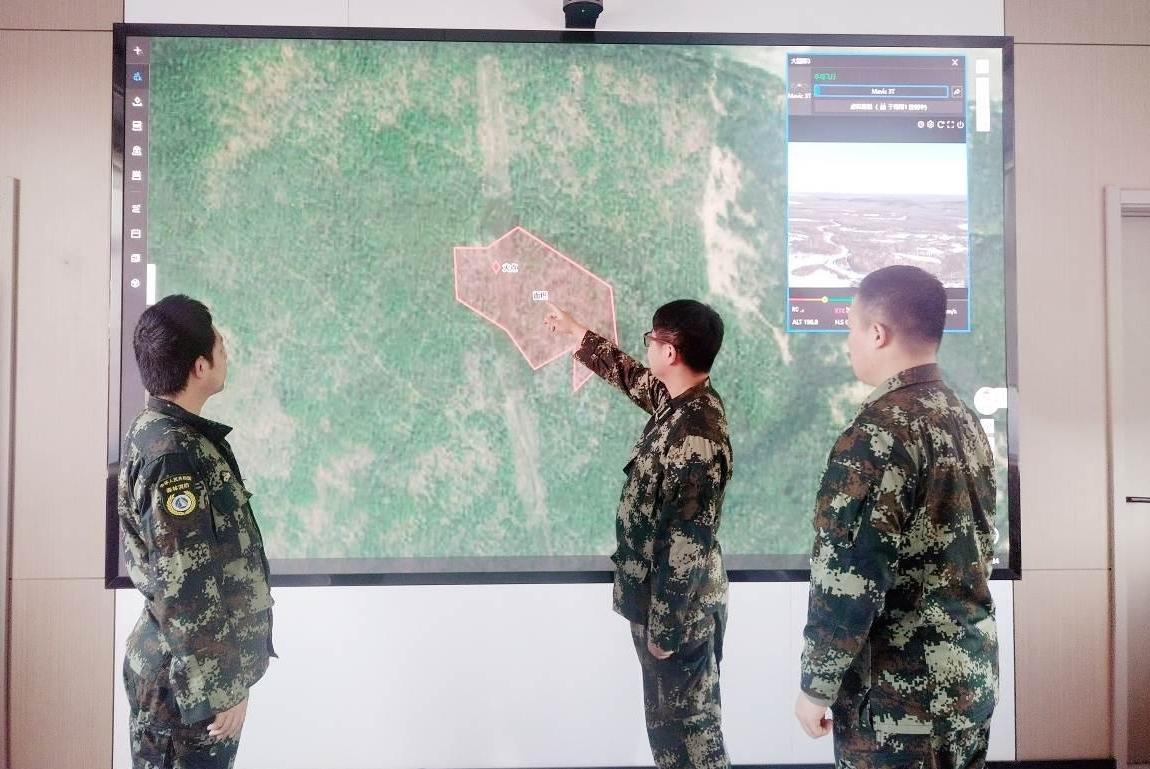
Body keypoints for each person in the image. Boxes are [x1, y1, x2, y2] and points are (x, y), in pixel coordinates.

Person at [795, 266, 998, 769]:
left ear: (877, 333)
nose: (847, 342)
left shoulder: (877, 434)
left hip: (900, 706)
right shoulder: (963, 418)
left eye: (850, 327)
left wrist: (817, 686)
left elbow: (849, 576)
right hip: (968, 684)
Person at [545, 299, 732, 769]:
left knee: (691, 740)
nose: (646, 346)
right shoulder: (682, 402)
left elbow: (685, 543)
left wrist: (664, 630)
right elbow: (633, 378)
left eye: (652, 339)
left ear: (670, 352)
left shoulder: (695, 435)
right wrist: (579, 336)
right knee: (670, 734)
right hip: (664, 606)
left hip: (679, 618)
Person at [118, 294, 275, 769]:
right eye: (221, 346)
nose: (227, 353)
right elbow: (184, 585)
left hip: (187, 677)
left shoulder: (168, 432)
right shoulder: (174, 457)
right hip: (187, 691)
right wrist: (222, 688)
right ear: (201, 366)